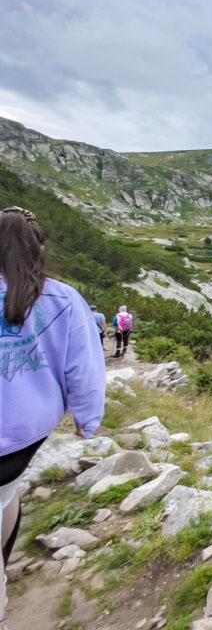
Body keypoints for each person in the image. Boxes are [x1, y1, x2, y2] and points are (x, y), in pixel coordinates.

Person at [0, 206, 106, 630]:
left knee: (7, 497)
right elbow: (84, 368)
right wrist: (87, 418)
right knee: (7, 493)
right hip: (20, 440)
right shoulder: (62, 298)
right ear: (38, 249)